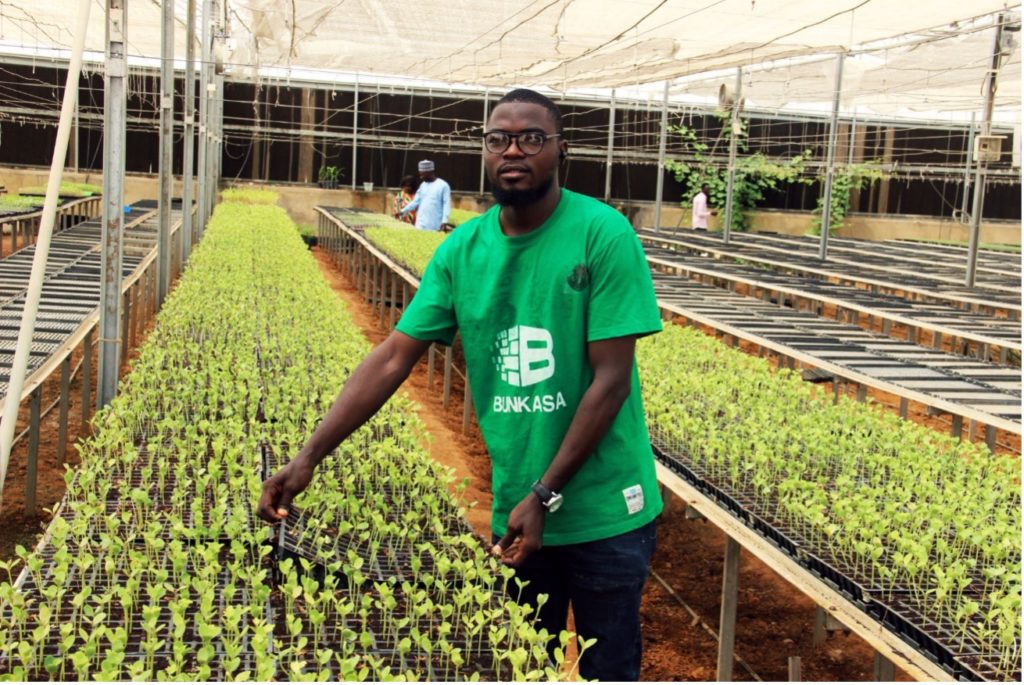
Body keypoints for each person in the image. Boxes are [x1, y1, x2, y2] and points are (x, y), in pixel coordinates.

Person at [258, 88, 663, 681]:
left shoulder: (601, 234)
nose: (513, 151)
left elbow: (611, 381)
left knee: (611, 665)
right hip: (518, 509)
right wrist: (308, 458)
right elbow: (394, 356)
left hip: (606, 510)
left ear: (560, 150)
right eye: (498, 139)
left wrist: (545, 494)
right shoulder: (462, 251)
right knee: (527, 661)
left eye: (531, 138)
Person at [398, 159, 451, 231]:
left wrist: (444, 221)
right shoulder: (422, 185)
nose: (421, 177)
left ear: (429, 172)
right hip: (420, 224)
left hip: (434, 224)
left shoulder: (443, 185)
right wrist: (402, 211)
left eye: (422, 174)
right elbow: (415, 202)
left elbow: (446, 204)